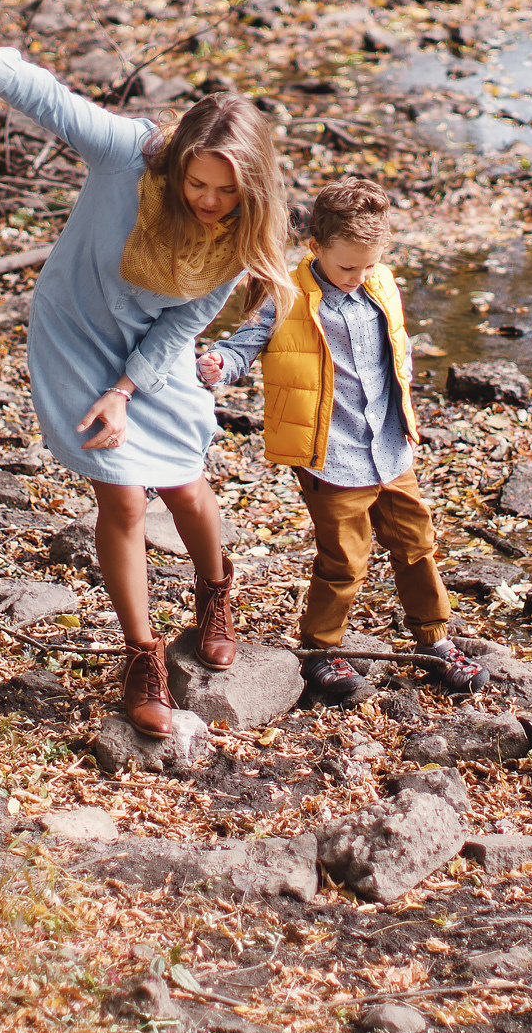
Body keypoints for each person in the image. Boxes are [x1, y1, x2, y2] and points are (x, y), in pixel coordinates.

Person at [0, 0, 292, 736]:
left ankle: (215, 589)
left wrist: (128, 388)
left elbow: (182, 325)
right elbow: (55, 101)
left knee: (187, 487)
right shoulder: (126, 151)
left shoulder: (238, 233)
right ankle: (143, 656)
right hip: (75, 331)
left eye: (227, 192)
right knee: (124, 498)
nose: (208, 200)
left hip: (148, 355)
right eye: (197, 183)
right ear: (177, 159)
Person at [198, 177, 484, 705]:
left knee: (418, 546)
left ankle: (435, 639)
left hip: (391, 448)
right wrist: (221, 364)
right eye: (346, 267)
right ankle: (321, 650)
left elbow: (393, 358)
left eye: (367, 265)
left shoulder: (381, 284)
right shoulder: (284, 295)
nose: (357, 277)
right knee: (344, 560)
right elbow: (245, 345)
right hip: (329, 454)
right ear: (315, 248)